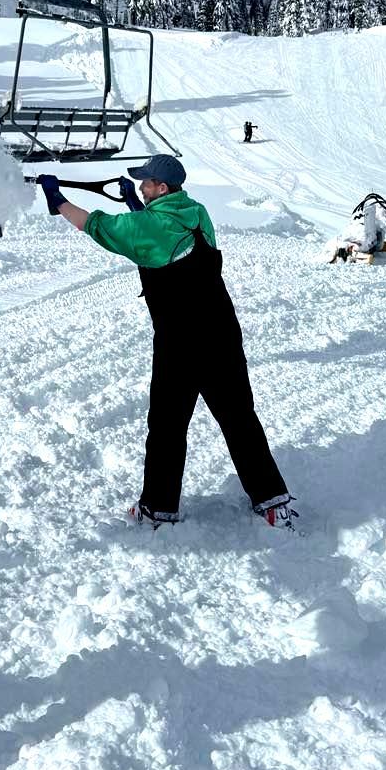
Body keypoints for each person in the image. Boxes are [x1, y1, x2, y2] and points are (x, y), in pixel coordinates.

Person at [37, 155, 296, 530]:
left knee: (167, 427)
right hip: (222, 333)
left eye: (146, 182)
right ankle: (273, 503)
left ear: (162, 187)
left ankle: (158, 508)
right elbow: (163, 234)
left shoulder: (148, 226)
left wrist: (57, 199)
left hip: (181, 343)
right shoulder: (197, 212)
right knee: (239, 419)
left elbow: (95, 225)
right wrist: (137, 206)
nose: (141, 185)